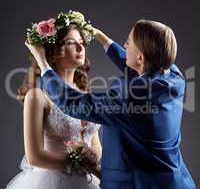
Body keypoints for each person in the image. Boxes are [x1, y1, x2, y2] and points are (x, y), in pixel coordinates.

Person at [26, 19, 196, 189]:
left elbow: (71, 103)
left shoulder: (129, 96)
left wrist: (42, 62)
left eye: (128, 43)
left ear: (141, 56)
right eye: (72, 43)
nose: (124, 45)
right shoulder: (173, 76)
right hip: (175, 181)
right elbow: (142, 65)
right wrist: (100, 36)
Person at [6, 13, 102, 189]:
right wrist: (77, 162)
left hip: (89, 181)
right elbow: (35, 156)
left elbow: (95, 143)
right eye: (71, 43)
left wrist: (92, 156)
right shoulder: (37, 96)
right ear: (53, 52)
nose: (80, 47)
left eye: (82, 42)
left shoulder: (86, 93)